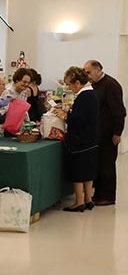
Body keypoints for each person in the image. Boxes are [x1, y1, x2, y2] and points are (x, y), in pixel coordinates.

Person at [54, 66, 100, 212]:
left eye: (69, 84)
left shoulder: (84, 96)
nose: (69, 87)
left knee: (79, 171)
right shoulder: (92, 94)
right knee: (88, 170)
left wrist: (65, 116)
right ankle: (88, 199)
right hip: (91, 138)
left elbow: (78, 119)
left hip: (81, 140)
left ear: (78, 83)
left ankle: (79, 201)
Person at [84, 60, 125, 206]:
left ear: (98, 70)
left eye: (88, 72)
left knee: (107, 164)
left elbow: (119, 111)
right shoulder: (95, 85)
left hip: (108, 132)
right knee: (99, 164)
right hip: (98, 132)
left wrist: (117, 133)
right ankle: (99, 194)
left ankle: (108, 196)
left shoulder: (111, 85)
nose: (86, 75)